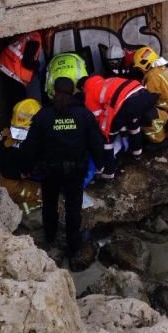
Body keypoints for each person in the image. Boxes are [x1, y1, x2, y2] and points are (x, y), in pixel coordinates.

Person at [23, 77, 105, 258]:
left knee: (50, 204)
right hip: (76, 171)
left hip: (49, 171)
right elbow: (96, 142)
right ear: (74, 91)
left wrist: (27, 166)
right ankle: (74, 243)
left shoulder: (43, 115)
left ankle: (50, 237)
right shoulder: (84, 115)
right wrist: (100, 164)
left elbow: (31, 145)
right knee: (73, 207)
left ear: (53, 91)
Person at [83, 74, 158, 179]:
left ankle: (109, 172)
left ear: (84, 87)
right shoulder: (108, 80)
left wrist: (107, 130)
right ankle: (137, 152)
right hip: (142, 93)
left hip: (127, 102)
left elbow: (96, 116)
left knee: (106, 138)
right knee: (133, 125)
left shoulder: (90, 93)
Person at [0, 99, 43, 214]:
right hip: (10, 186)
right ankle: (21, 213)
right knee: (45, 194)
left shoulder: (4, 131)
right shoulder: (29, 144)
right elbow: (29, 169)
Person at [133, 46, 168, 144]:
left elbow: (148, 99)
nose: (139, 70)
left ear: (144, 64)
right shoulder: (165, 68)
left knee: (146, 116)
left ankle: (159, 139)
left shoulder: (152, 76)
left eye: (139, 67)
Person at [0, 31, 44, 103]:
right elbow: (27, 63)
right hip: (12, 69)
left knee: (9, 93)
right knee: (19, 100)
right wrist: (37, 66)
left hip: (6, 62)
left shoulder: (32, 35)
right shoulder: (36, 42)